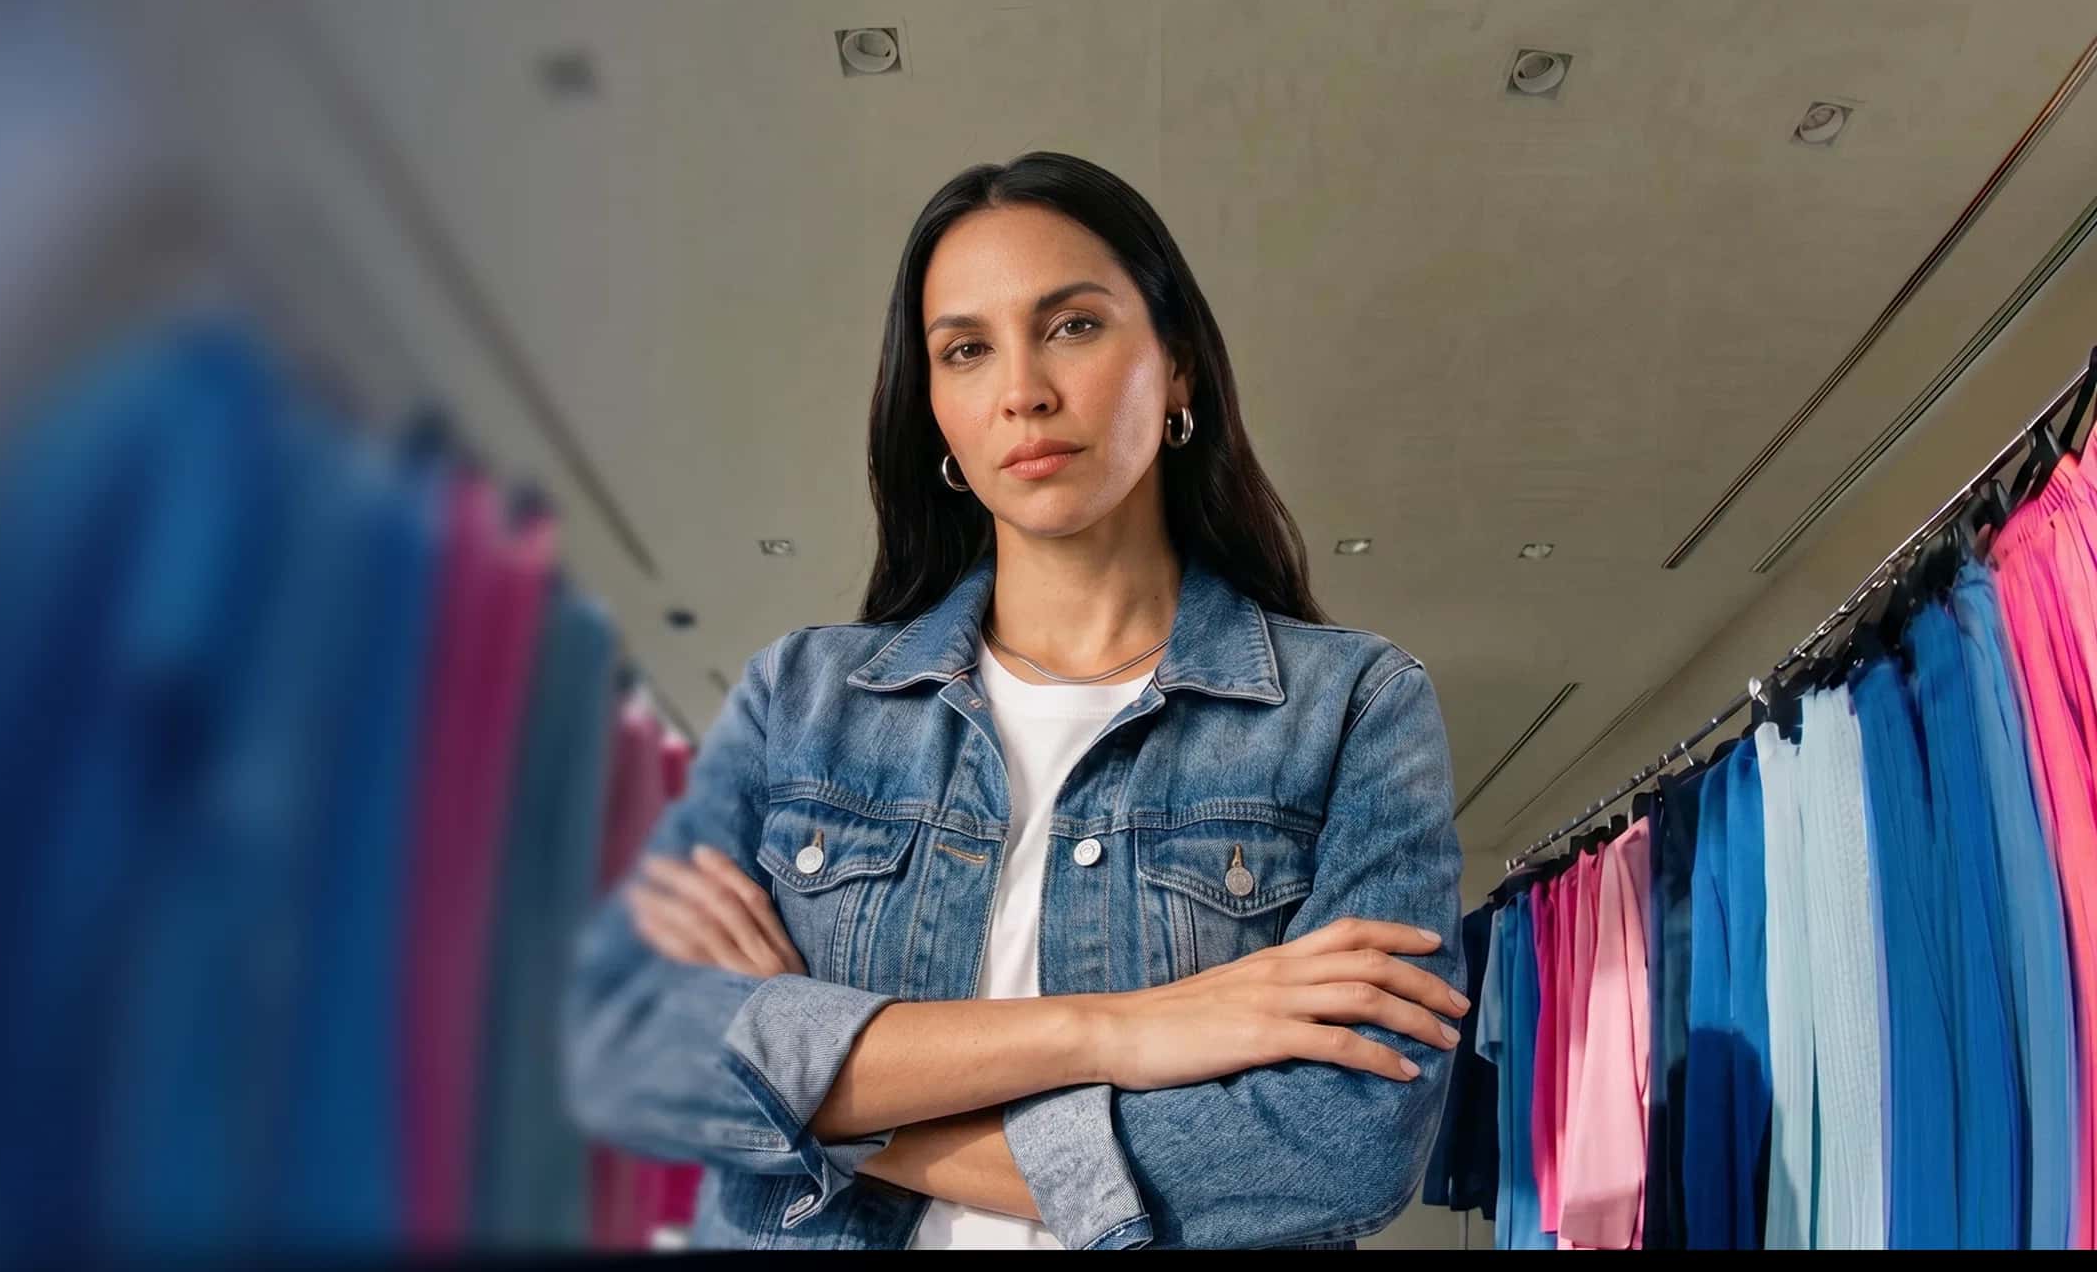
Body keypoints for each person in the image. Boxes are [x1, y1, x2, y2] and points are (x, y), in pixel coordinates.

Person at [563, 152, 1468, 1250]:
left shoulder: (1351, 706)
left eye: (1074, 326)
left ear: (1177, 366)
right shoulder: (798, 700)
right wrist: (1120, 1031)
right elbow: (634, 1044)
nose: (1022, 390)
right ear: (935, 406)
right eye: (966, 349)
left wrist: (821, 1089)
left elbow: (1346, 1147)